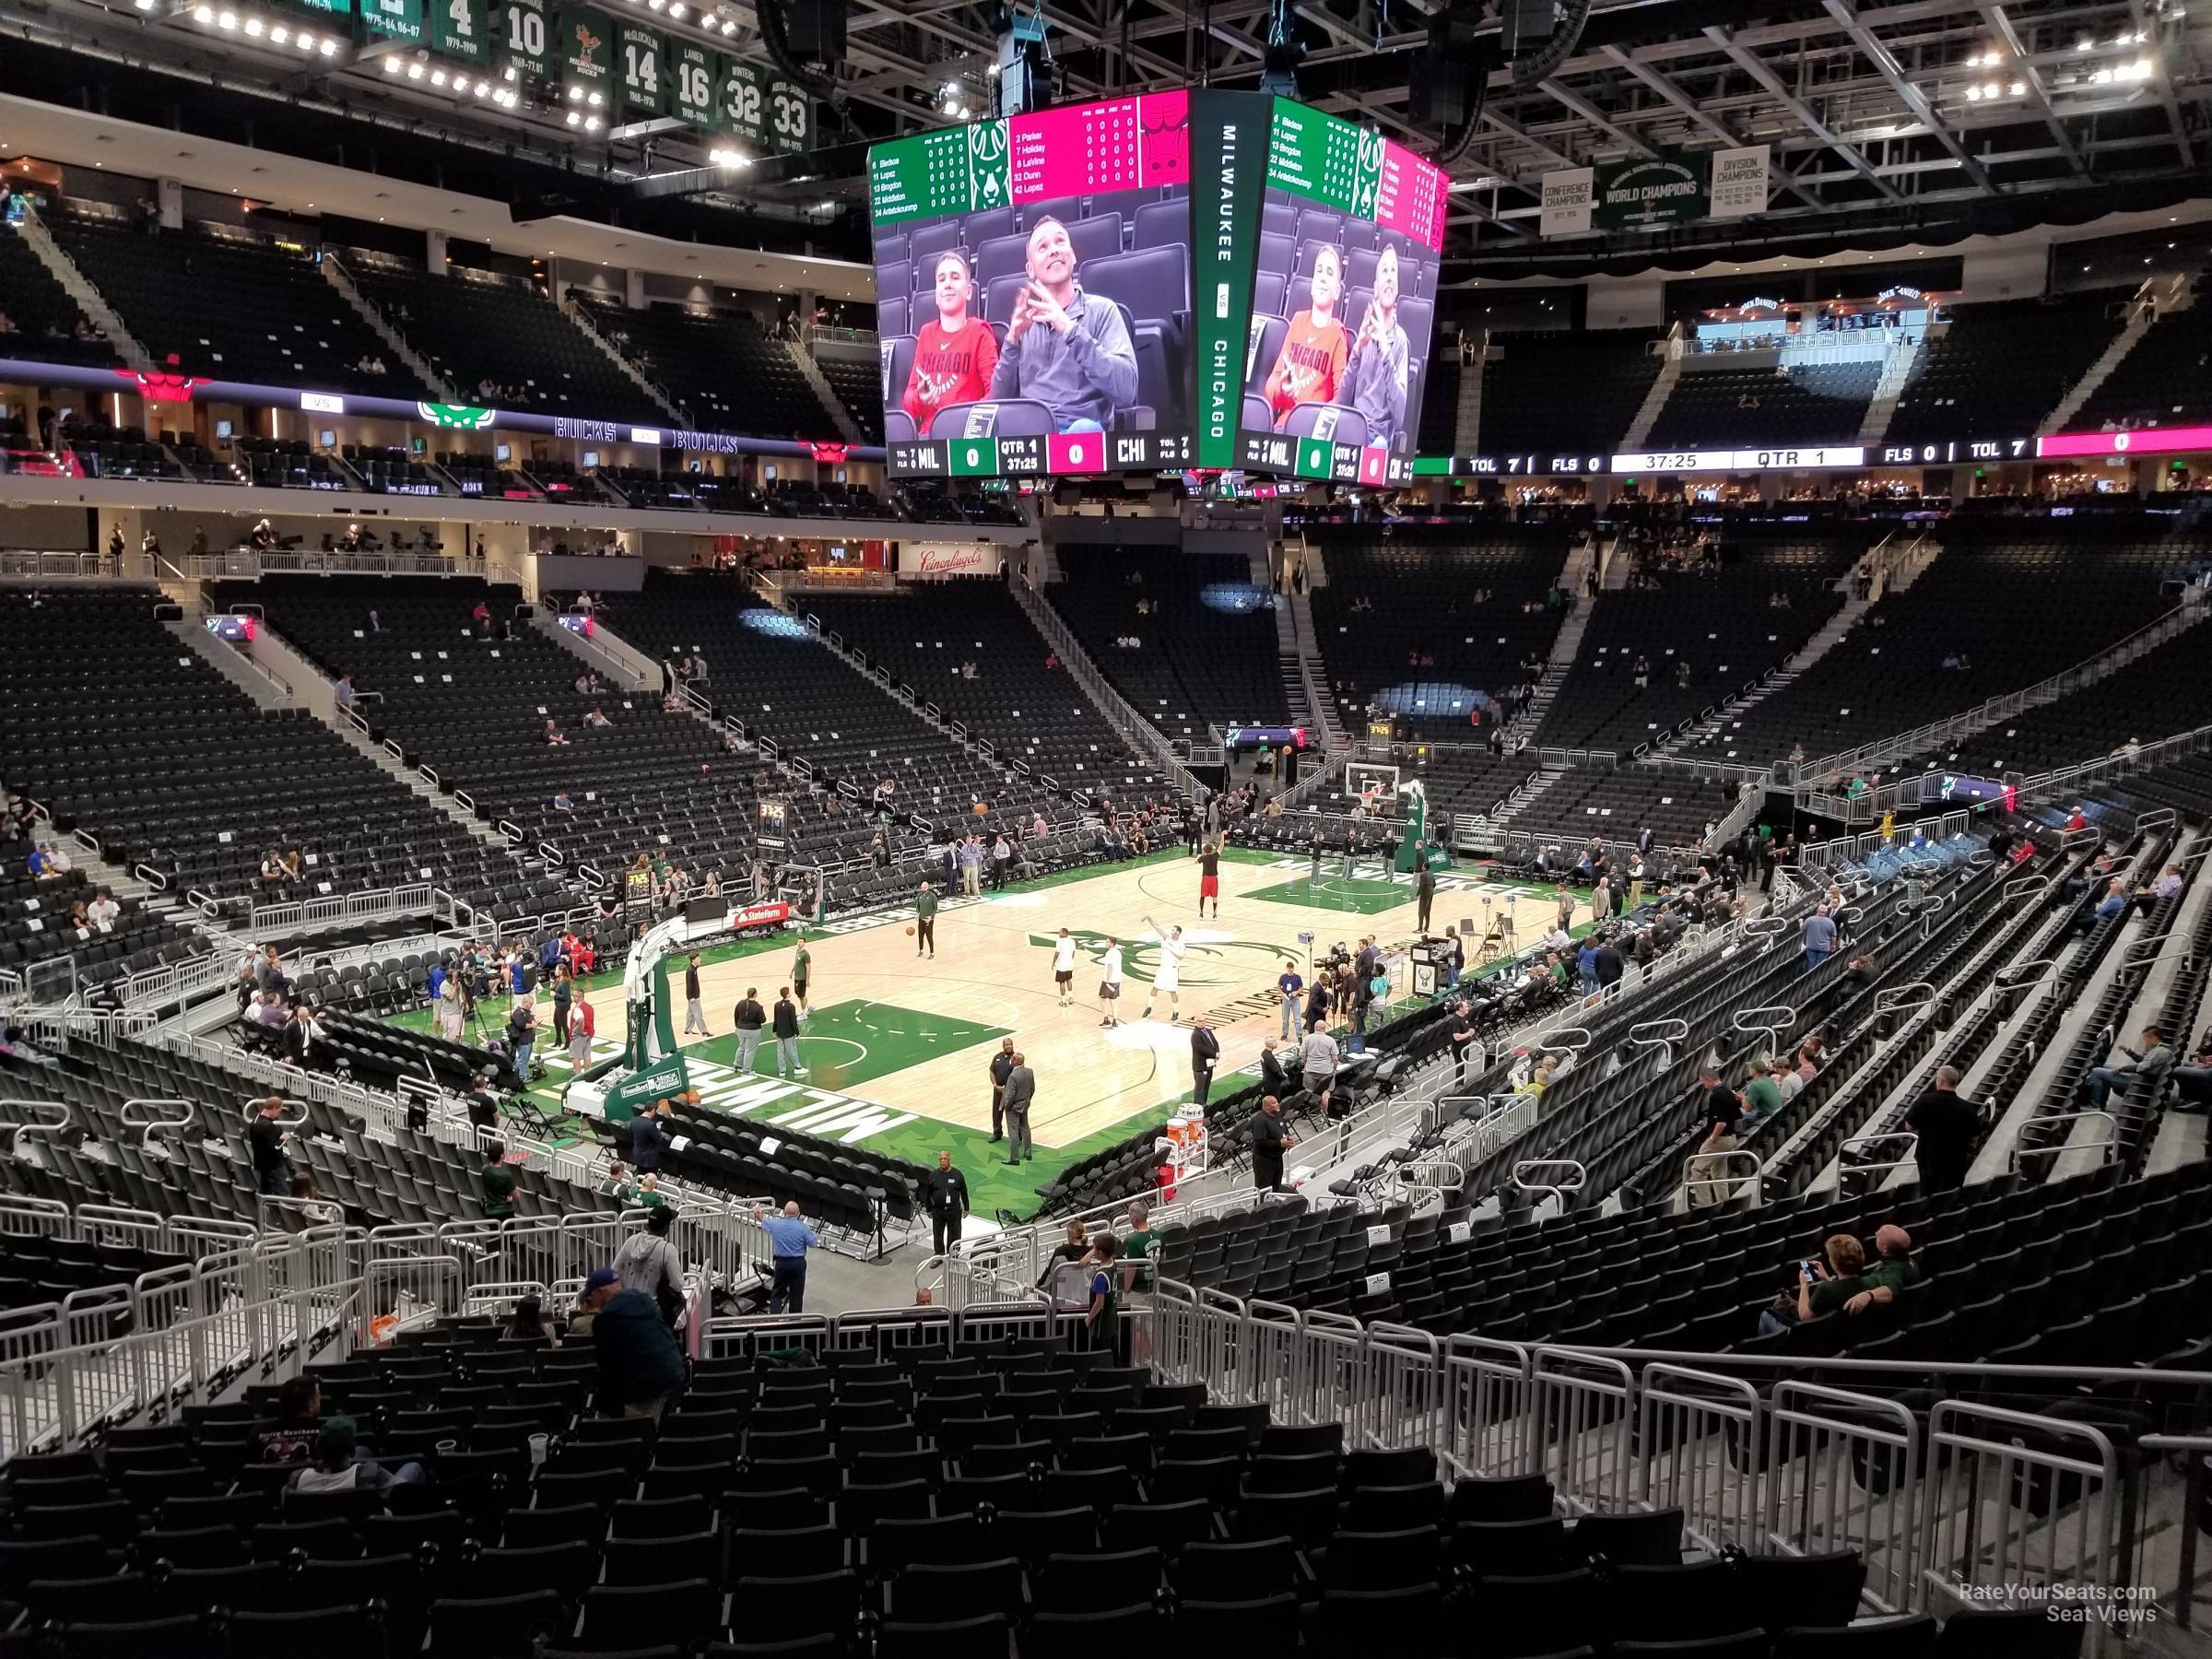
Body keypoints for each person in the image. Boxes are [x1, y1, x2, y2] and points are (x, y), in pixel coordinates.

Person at [986, 216, 1138, 433]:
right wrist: (1012, 339)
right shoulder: (1025, 323)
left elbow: (1126, 392)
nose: (1054, 250)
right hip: (1031, 437)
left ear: (1073, 255)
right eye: (1043, 247)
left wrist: (1070, 330)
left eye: (1060, 242)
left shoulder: (1103, 310)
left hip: (1079, 432)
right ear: (1030, 269)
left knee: (1084, 430)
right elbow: (999, 402)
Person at [1264, 242, 1349, 428]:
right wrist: (1282, 388)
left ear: (1337, 291)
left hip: (1312, 429)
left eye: (1329, 272)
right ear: (1312, 285)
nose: (1323, 277)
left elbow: (1340, 399)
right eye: (1319, 271)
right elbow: (1272, 385)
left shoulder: (1337, 335)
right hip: (1284, 425)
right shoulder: (1297, 321)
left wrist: (1315, 422)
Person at [583, 1265, 686, 1419]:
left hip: (647, 1385)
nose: (591, 1300)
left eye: (591, 1295)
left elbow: (609, 1369)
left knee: (638, 1432)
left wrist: (603, 1408)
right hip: (673, 1374)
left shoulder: (605, 1321)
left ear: (600, 1293)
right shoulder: (642, 1300)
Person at [1345, 243, 1411, 449]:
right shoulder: (1363, 333)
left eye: (1393, 271)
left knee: (1380, 445)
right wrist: (1356, 352)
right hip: (1352, 429)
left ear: (1397, 287)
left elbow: (1399, 417)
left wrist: (1385, 349)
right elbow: (1341, 401)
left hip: (1378, 439)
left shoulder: (1401, 341)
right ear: (1376, 287)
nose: (1390, 276)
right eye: (1384, 271)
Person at [1759, 1232, 1868, 1336]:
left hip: (1813, 1337)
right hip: (1841, 1333)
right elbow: (1842, 1290)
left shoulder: (1824, 1289)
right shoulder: (1868, 1285)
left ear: (1834, 1263)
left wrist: (1804, 1285)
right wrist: (1827, 1279)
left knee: (1766, 1315)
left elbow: (1804, 1316)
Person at [289, 1417, 424, 1497]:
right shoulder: (367, 1474)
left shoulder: (297, 1479)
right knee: (413, 1467)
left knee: (363, 1450)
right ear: (351, 1450)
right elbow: (399, 1492)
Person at [1904, 1065, 1982, 1192]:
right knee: (1951, 1196)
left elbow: (1909, 1126)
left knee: (1928, 1196)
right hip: (1956, 1162)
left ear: (1939, 1081)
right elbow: (1974, 1137)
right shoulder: (1968, 1108)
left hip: (1929, 1160)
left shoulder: (1925, 1101)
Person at [612, 1205, 687, 1327]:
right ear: (666, 1227)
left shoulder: (631, 1241)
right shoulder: (668, 1250)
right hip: (653, 1312)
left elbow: (614, 1271)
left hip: (627, 1307)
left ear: (648, 1224)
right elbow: (677, 1285)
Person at [2085, 1022, 2172, 1110]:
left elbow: (2141, 1068)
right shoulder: (2161, 1049)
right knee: (2105, 1066)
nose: (2145, 1041)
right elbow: (2145, 1061)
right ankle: (2102, 1102)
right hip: (2142, 1076)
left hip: (2141, 1080)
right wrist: (2128, 1051)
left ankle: (2095, 1104)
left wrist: (2121, 1069)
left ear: (2154, 1038)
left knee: (2096, 1072)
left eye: (2145, 1038)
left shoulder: (2159, 1052)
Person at [756, 1200, 819, 1313]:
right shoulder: (803, 1228)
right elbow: (813, 1243)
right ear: (798, 1213)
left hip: (781, 1263)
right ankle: (794, 1323)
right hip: (798, 1264)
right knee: (797, 1295)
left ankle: (774, 1322)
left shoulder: (776, 1224)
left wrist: (759, 1214)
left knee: (777, 1293)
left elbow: (763, 1220)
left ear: (784, 1212)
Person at [922, 1149, 970, 1256]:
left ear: (949, 1159)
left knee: (954, 1234)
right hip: (938, 1210)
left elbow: (964, 1192)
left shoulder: (958, 1175)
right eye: (941, 1159)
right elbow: (928, 1194)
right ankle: (938, 1255)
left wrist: (966, 1208)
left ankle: (954, 1255)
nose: (943, 1161)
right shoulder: (933, 1175)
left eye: (945, 1158)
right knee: (937, 1234)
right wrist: (929, 1209)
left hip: (954, 1210)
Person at [1140, 917, 1187, 1023]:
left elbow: (1180, 956)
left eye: (1174, 930)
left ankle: (1176, 1012)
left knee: (1172, 991)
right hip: (1163, 968)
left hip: (1172, 969)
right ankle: (1148, 1007)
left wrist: (1170, 948)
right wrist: (1148, 918)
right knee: (1155, 987)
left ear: (1178, 933)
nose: (1172, 931)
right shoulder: (1167, 938)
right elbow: (1157, 927)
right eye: (1172, 930)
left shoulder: (1181, 944)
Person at [1084, 1232, 1123, 1357]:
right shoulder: (1112, 1263)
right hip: (1111, 1322)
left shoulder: (1101, 1277)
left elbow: (1099, 1303)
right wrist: (1092, 1252)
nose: (1092, 1250)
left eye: (1094, 1248)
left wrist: (1089, 1318)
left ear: (1100, 1253)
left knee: (1099, 1358)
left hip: (1101, 1326)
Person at [1251, 1094, 1296, 1193]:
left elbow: (1283, 1130)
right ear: (1266, 1106)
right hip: (1264, 1161)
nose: (1277, 1104)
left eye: (1277, 1102)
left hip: (1277, 1158)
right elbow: (1259, 1142)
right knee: (1263, 1188)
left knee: (1276, 1184)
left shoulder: (1277, 1115)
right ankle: (1260, 1207)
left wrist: (1288, 1139)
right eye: (1274, 1103)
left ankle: (1274, 1205)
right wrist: (1279, 1143)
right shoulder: (1260, 1120)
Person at [248, 1096, 288, 1196]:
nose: (278, 1114)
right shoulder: (268, 1126)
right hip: (273, 1165)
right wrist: (283, 1138)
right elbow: (274, 1147)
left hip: (261, 1163)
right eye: (279, 1110)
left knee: (265, 1192)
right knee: (282, 1193)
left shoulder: (255, 1120)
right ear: (274, 1108)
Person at [1001, 1051, 1035, 1165]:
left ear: (1015, 1061)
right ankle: (1028, 1152)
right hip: (1025, 1105)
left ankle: (1014, 1158)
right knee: (1025, 1127)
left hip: (1014, 1107)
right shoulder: (1030, 1072)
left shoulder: (1013, 1076)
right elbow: (1032, 1089)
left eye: (1012, 1059)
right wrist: (1027, 1100)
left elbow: (1011, 1095)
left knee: (1013, 1132)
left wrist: (1008, 1106)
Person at [1300, 1025, 1339, 1118]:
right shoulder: (1330, 1040)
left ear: (1314, 1028)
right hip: (1326, 1071)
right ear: (1324, 1029)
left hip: (1310, 1070)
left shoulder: (1307, 1038)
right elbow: (1335, 1058)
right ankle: (1326, 1115)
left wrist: (1306, 1063)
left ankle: (1311, 1113)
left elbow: (1302, 1054)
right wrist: (1334, 1069)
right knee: (1326, 1092)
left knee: (1310, 1091)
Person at [629, 1100, 675, 1173]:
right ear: (653, 1110)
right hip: (649, 1160)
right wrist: (658, 1128)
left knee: (640, 1178)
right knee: (650, 1181)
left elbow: (631, 1136)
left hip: (637, 1156)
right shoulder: (650, 1125)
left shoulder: (634, 1120)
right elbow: (659, 1139)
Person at [732, 986, 767, 1073]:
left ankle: (736, 1065)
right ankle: (746, 1070)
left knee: (742, 1046)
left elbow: (736, 1015)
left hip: (740, 1028)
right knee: (750, 1050)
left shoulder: (740, 1003)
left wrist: (737, 1026)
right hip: (753, 1030)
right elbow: (763, 1020)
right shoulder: (758, 1007)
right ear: (755, 994)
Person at [771, 987, 803, 1078]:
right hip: (788, 1033)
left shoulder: (777, 1005)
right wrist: (797, 1032)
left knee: (780, 1052)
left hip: (780, 1033)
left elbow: (775, 1019)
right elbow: (793, 1021)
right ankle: (797, 1067)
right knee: (792, 1051)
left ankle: (782, 1070)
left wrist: (774, 1030)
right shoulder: (791, 1006)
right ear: (788, 994)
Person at [988, 1038, 1016, 1143]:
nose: (1008, 1046)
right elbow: (991, 1071)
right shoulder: (997, 1057)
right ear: (1003, 1046)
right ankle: (997, 1133)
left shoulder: (1016, 1058)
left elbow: (1019, 1074)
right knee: (996, 1113)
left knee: (1013, 1114)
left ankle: (1016, 1137)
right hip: (998, 1091)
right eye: (1006, 1044)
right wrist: (995, 1085)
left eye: (1010, 1044)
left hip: (1011, 1092)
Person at [1097, 935, 1124, 1028]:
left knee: (1101, 998)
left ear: (1112, 944)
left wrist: (1107, 981)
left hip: (1109, 980)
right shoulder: (1118, 953)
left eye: (1108, 942)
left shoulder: (1109, 953)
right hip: (1117, 980)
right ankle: (1115, 1021)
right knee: (1114, 1000)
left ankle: (1106, 1019)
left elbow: (1110, 967)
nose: (1106, 943)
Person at [1191, 1021, 1219, 1106]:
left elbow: (1215, 1042)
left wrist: (1217, 1051)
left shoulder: (1208, 1031)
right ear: (1196, 1022)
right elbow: (1200, 1048)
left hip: (1209, 1065)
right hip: (1201, 1066)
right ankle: (1197, 1107)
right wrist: (1214, 1054)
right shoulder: (1195, 1035)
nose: (1203, 1023)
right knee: (1200, 1089)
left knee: (1206, 1087)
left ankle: (1204, 1104)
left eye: (1204, 1021)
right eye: (1200, 1021)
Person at [1802, 906, 1838, 971]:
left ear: (1817, 911)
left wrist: (1800, 922)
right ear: (1826, 912)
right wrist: (1833, 945)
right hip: (1824, 948)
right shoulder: (1830, 922)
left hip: (1811, 947)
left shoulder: (1810, 920)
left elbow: (1803, 929)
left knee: (1811, 965)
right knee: (1820, 967)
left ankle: (1810, 978)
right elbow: (1833, 936)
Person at [681, 953, 707, 1037]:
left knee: (690, 1014)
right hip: (693, 997)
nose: (700, 960)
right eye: (698, 959)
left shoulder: (694, 969)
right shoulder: (691, 971)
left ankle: (687, 1030)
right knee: (698, 1014)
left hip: (693, 996)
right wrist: (691, 997)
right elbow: (689, 985)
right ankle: (704, 1032)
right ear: (693, 960)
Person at [1051, 928, 1078, 1006]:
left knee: (1062, 982)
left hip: (1062, 965)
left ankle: (1063, 1001)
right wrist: (1071, 960)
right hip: (1070, 964)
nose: (1059, 933)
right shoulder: (1072, 941)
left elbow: (1057, 953)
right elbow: (1073, 952)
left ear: (1063, 933)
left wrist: (1053, 962)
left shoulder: (1059, 941)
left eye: (1060, 932)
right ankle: (1071, 997)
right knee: (1068, 979)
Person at [1197, 838, 1222, 919]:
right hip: (1213, 878)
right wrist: (1222, 835)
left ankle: (1201, 914)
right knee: (1214, 896)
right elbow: (1221, 846)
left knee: (1202, 895)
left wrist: (1198, 857)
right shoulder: (1215, 856)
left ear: (1204, 850)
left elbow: (1196, 862)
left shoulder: (1203, 857)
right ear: (1211, 850)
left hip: (1205, 878)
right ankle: (1214, 915)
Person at [914, 880, 937, 959]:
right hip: (921, 920)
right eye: (921, 887)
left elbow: (935, 908)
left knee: (929, 937)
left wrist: (931, 916)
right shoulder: (919, 895)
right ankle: (921, 950)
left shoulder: (932, 896)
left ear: (928, 887)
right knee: (920, 936)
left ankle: (932, 953)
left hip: (928, 920)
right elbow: (917, 905)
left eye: (924, 887)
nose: (923, 889)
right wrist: (917, 913)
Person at [791, 935, 812, 1018]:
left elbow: (808, 967)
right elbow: (796, 963)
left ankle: (804, 1014)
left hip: (802, 978)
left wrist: (808, 980)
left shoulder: (806, 954)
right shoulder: (798, 951)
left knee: (801, 996)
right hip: (797, 977)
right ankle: (809, 1007)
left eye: (801, 942)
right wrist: (792, 971)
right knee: (799, 994)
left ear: (804, 943)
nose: (799, 943)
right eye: (798, 941)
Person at [1416, 861, 1436, 935]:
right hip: (1431, 893)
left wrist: (1417, 894)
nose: (1422, 866)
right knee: (1427, 911)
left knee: (1421, 911)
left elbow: (1421, 886)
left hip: (1424, 893)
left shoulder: (1423, 874)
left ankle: (1420, 929)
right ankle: (1426, 928)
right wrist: (1430, 889)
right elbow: (1434, 884)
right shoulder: (1431, 873)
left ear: (1424, 867)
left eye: (1422, 865)